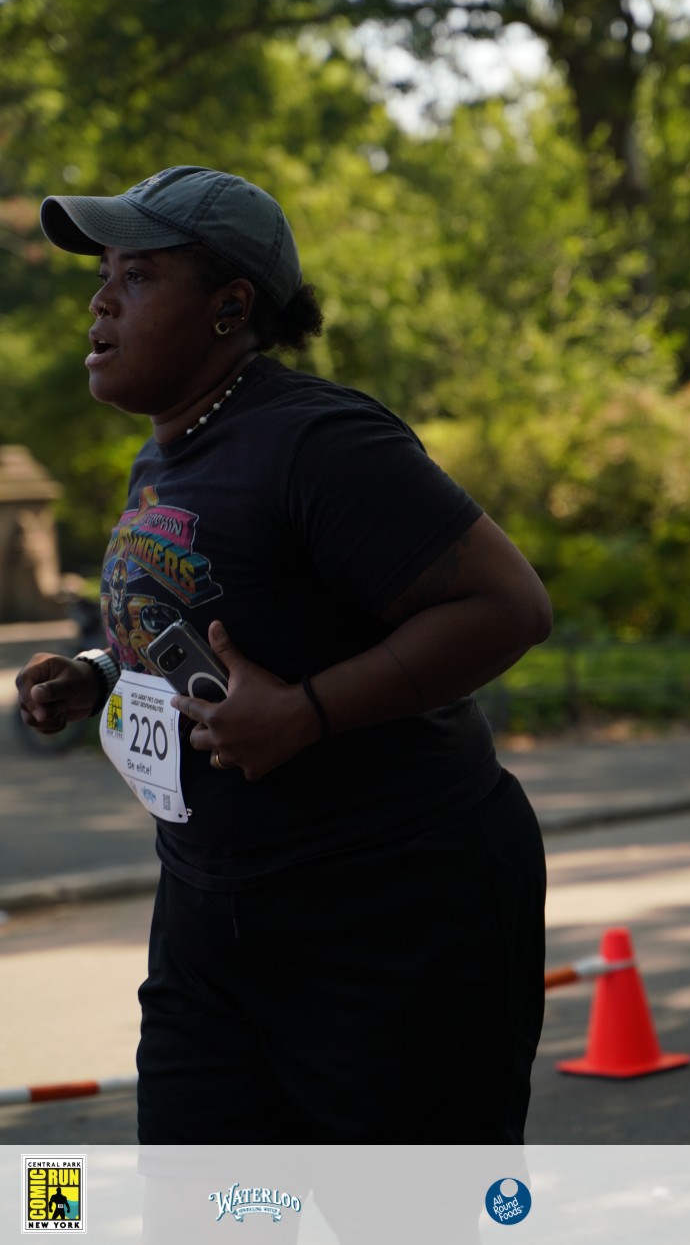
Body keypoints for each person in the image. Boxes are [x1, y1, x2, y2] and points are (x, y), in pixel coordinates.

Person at [15, 165, 552, 1142]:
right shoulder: (167, 450)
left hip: (391, 910)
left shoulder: (318, 439)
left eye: (137, 276)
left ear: (229, 306)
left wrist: (305, 713)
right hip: (211, 914)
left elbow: (508, 605)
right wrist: (96, 673)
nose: (100, 301)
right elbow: (218, 619)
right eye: (103, 275)